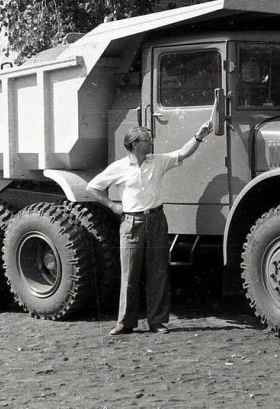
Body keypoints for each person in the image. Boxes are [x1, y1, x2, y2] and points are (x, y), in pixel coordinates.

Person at [87, 121, 213, 335]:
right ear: (134, 144)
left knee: (158, 272)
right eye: (146, 139)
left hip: (156, 221)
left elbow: (182, 153)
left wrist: (199, 136)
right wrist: (112, 205)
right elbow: (92, 187)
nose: (151, 142)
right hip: (131, 224)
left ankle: (158, 322)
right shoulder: (119, 167)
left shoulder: (157, 162)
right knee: (129, 274)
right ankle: (125, 323)